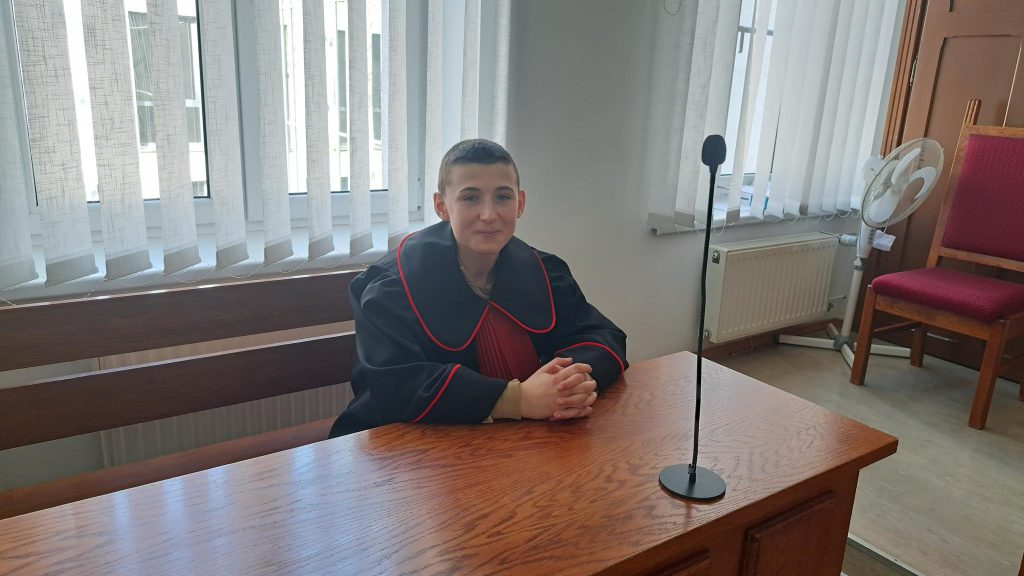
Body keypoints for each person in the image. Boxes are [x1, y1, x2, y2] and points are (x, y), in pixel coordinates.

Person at [329, 139, 627, 437]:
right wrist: (518, 399)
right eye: (470, 198)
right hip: (409, 446)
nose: (489, 214)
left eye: (503, 197)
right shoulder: (389, 288)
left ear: (520, 204)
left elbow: (602, 336)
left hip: (525, 436)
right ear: (441, 206)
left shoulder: (546, 272)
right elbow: (396, 385)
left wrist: (567, 383)